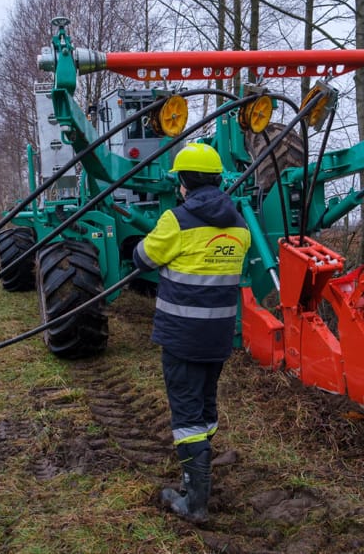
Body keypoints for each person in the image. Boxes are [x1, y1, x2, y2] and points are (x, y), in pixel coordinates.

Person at [132, 143, 251, 523]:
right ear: (218, 178)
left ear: (183, 182)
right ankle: (195, 474)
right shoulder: (240, 226)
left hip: (182, 337)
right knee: (204, 407)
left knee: (185, 415)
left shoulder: (175, 220)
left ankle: (194, 502)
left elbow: (142, 259)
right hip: (218, 338)